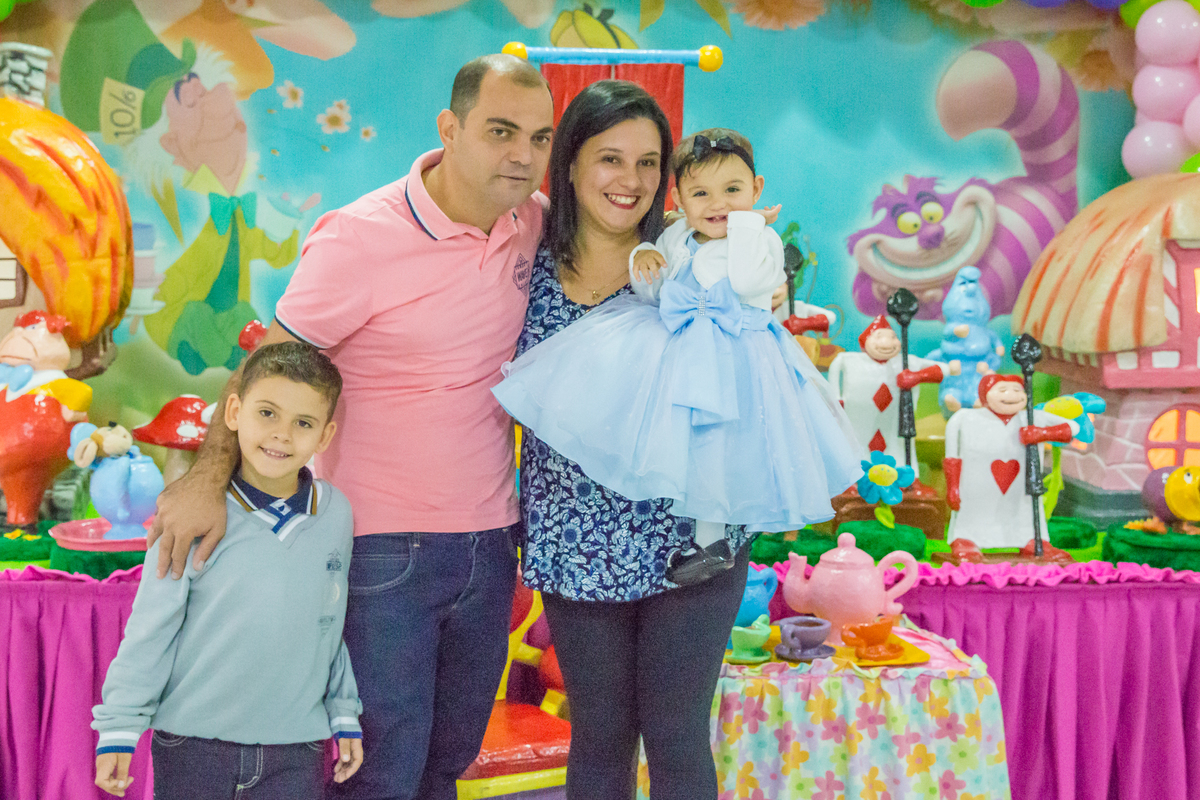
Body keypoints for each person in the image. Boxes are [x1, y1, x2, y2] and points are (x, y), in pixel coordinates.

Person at [148, 53, 554, 799]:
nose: (523, 155)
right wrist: (206, 480)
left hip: (493, 543)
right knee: (376, 770)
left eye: (540, 137)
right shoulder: (361, 237)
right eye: (502, 131)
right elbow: (268, 368)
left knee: (451, 760)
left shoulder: (530, 221)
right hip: (379, 550)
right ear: (450, 128)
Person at [506, 80, 750, 800]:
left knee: (675, 735)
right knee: (601, 734)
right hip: (575, 536)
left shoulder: (690, 261)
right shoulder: (525, 266)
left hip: (689, 539)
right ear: (571, 164)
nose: (632, 181)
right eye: (611, 158)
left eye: (650, 163)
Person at [494, 127, 862, 586]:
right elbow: (656, 292)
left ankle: (712, 543)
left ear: (756, 189)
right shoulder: (680, 238)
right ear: (680, 199)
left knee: (722, 447)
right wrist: (645, 260)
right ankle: (699, 540)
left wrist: (749, 225)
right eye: (701, 193)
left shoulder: (759, 239)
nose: (718, 204)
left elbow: (750, 282)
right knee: (688, 444)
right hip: (685, 353)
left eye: (733, 190)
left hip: (737, 359)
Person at [92, 342, 362, 799]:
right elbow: (151, 628)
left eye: (303, 423)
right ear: (234, 410)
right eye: (268, 413)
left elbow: (329, 624)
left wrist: (344, 712)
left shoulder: (336, 514)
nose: (281, 435)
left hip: (297, 749)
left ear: (325, 436)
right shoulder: (190, 513)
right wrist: (119, 724)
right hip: (192, 747)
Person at [943, 373, 1077, 548]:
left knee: (1025, 509)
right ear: (985, 395)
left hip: (1022, 487)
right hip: (975, 489)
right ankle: (966, 540)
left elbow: (1073, 427)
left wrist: (1043, 433)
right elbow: (952, 457)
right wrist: (953, 487)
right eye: (1003, 390)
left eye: (1017, 390)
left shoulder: (1033, 418)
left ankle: (1033, 541)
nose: (1011, 395)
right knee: (974, 510)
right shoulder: (964, 418)